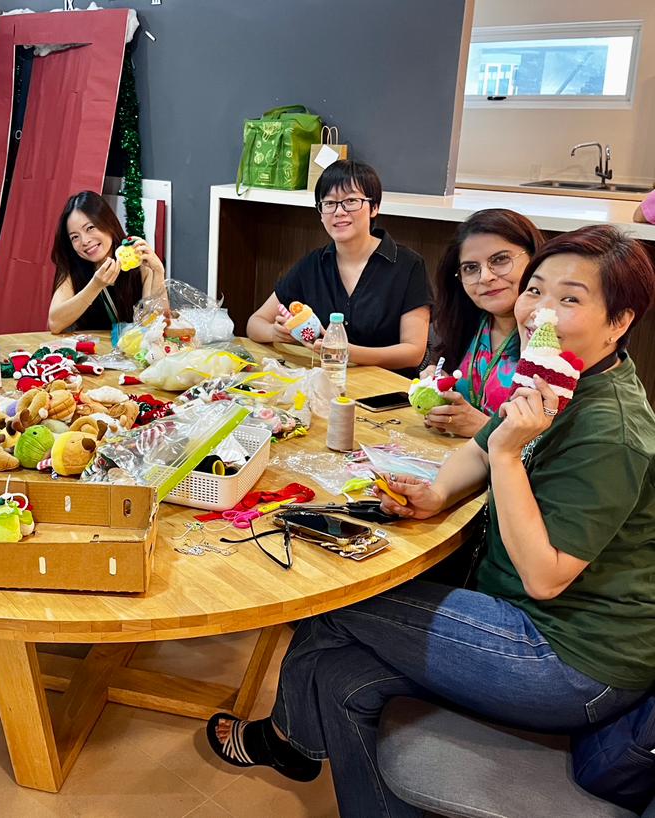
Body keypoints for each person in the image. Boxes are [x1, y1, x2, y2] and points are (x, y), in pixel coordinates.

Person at [206, 225, 655, 817]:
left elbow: (546, 576)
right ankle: (299, 745)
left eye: (569, 299)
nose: (538, 311)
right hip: (517, 614)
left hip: (569, 658)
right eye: (536, 290)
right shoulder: (555, 376)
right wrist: (436, 494)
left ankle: (288, 740)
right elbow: (479, 449)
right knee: (340, 677)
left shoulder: (611, 431)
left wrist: (506, 455)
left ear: (619, 322)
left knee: (330, 597)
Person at [246, 160, 430, 373]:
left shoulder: (408, 265)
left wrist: (346, 351)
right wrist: (275, 333)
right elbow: (254, 323)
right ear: (321, 213)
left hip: (387, 387)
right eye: (329, 203)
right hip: (325, 380)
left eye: (351, 201)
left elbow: (414, 352)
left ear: (374, 207)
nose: (339, 211)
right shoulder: (312, 265)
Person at [423, 209, 544, 437]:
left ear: (534, 258)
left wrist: (482, 428)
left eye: (500, 260)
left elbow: (559, 446)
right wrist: (438, 388)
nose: (485, 277)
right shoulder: (469, 321)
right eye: (471, 268)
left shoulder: (554, 336)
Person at [48, 190, 166, 334]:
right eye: (75, 237)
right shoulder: (73, 269)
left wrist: (158, 272)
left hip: (133, 347)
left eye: (90, 228)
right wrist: (95, 285)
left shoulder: (138, 263)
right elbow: (54, 324)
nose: (85, 241)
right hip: (91, 348)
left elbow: (158, 325)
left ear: (108, 223)